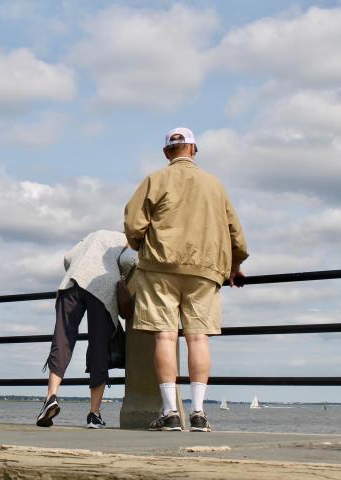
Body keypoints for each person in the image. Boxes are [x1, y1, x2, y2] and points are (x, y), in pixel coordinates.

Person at [124, 127, 249, 432]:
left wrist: (144, 248)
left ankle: (169, 412)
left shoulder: (155, 179)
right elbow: (237, 234)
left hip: (159, 269)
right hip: (205, 270)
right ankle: (198, 412)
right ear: (194, 149)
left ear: (167, 152)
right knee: (198, 338)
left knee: (165, 337)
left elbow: (132, 224)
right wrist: (235, 265)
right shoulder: (215, 185)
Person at [36, 230, 128, 429]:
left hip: (72, 281)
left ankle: (50, 397)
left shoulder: (93, 235)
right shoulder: (125, 240)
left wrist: (81, 267)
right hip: (102, 287)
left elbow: (68, 257)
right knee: (99, 347)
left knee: (63, 339)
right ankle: (94, 414)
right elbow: (130, 262)